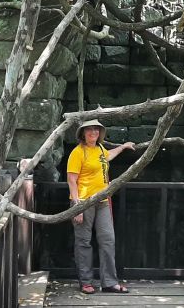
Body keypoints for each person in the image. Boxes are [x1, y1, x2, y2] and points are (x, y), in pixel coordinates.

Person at [67, 119, 135, 295]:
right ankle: (86, 282)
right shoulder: (78, 152)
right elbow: (72, 180)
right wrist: (77, 206)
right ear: (83, 133)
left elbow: (108, 156)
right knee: (83, 242)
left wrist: (123, 146)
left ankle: (109, 282)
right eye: (89, 130)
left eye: (96, 130)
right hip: (83, 202)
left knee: (107, 240)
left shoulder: (99, 149)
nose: (93, 132)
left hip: (103, 201)